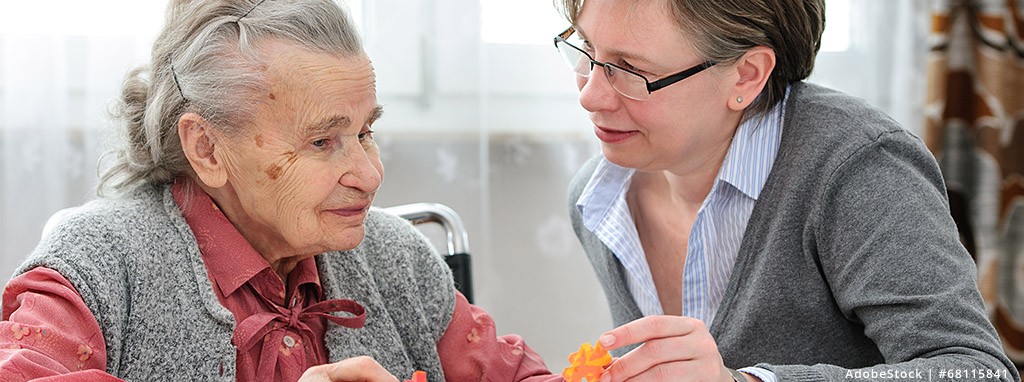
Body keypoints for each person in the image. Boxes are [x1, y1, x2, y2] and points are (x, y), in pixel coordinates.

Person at [0, 1, 563, 381]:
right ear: (207, 149)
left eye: (366, 132)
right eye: (322, 141)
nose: (370, 174)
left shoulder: (397, 260)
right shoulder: (95, 266)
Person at [555, 0, 1018, 381]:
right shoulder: (598, 201)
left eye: (630, 69)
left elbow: (976, 371)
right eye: (587, 50)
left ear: (747, 75)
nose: (590, 95)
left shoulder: (858, 169)